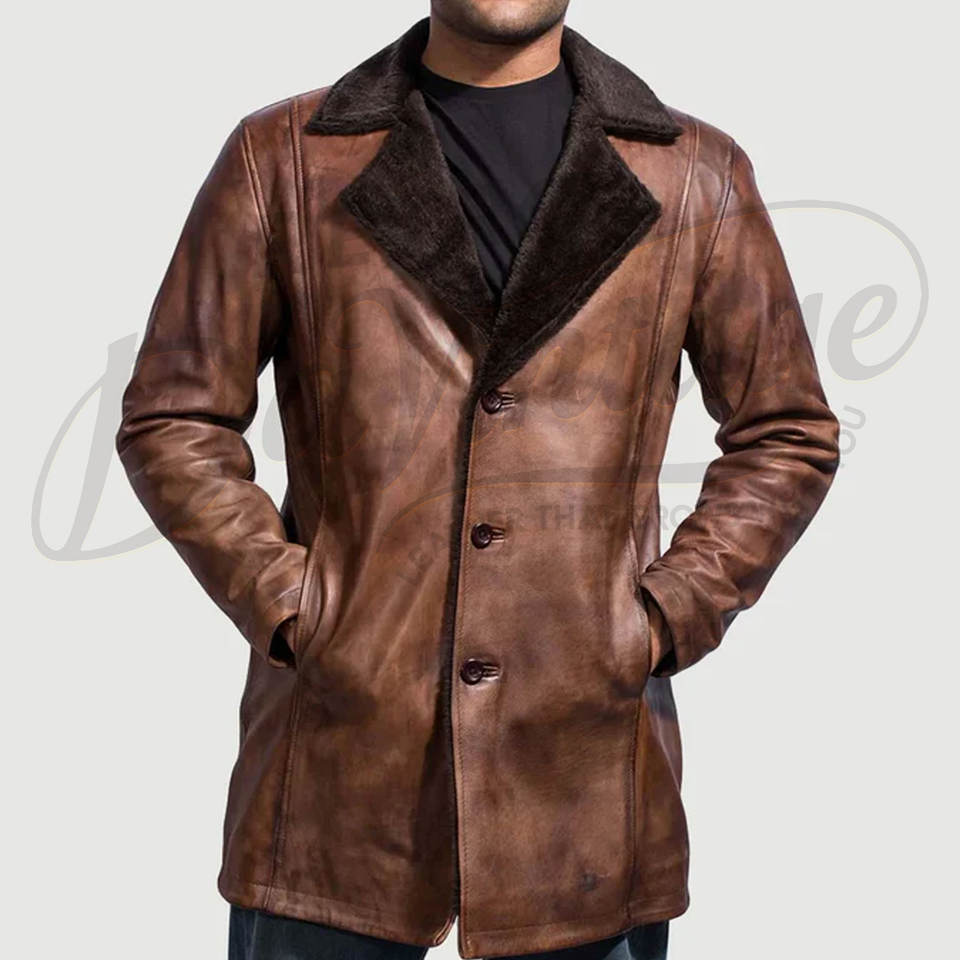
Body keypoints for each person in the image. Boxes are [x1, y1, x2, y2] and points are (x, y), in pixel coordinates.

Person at [116, 2, 840, 958]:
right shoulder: (283, 158)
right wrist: (295, 606)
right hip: (338, 774)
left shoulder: (695, 173)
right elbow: (175, 416)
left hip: (585, 779)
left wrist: (666, 615)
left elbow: (785, 429)